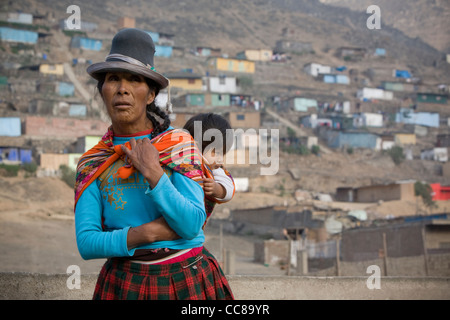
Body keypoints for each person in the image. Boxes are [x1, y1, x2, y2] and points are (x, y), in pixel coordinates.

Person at [74, 28, 233, 300]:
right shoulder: (93, 162)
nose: (122, 88)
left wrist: (153, 172)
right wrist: (146, 233)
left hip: (188, 277)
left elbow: (191, 224)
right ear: (102, 91)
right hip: (124, 282)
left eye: (134, 79)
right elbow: (87, 243)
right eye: (113, 79)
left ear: (150, 95)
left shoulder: (178, 144)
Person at [183, 113, 235, 212]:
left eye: (222, 154)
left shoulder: (215, 170)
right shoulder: (181, 162)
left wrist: (217, 189)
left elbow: (229, 189)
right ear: (197, 147)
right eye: (217, 153)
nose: (220, 160)